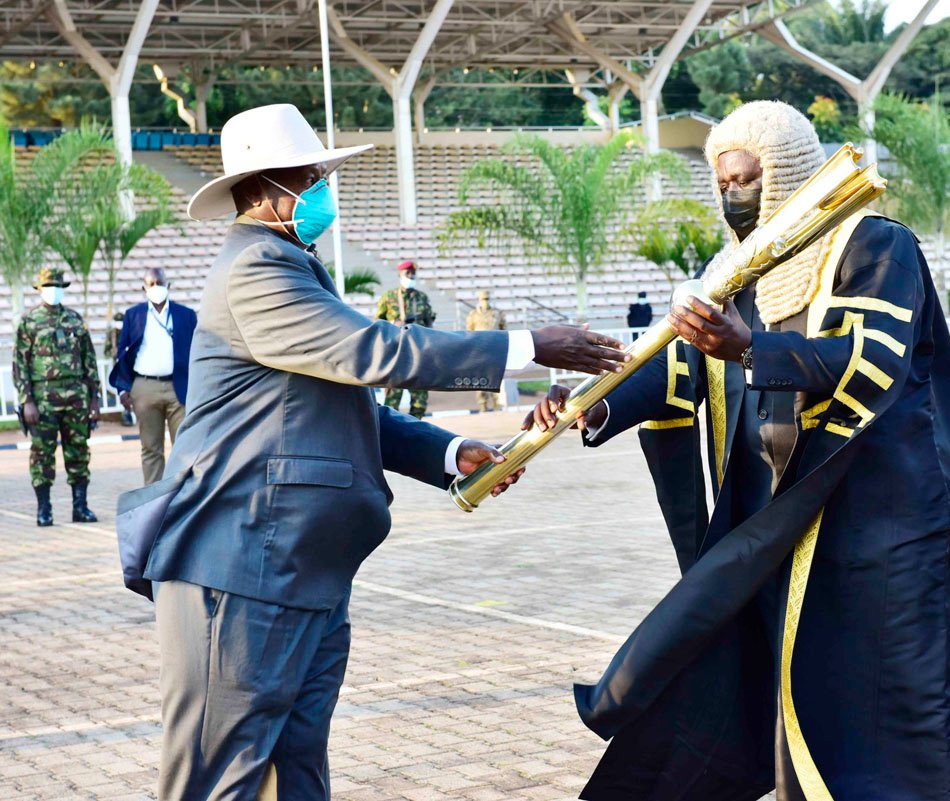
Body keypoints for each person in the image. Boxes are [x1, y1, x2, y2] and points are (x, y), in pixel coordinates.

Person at [139, 103, 628, 801]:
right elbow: (372, 352)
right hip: (241, 567)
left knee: (296, 771)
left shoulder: (291, 263)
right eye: (308, 178)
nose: (319, 192)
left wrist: (450, 450)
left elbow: (343, 406)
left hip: (298, 568)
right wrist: (525, 347)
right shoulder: (255, 268)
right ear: (266, 188)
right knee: (220, 778)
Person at [526, 100, 950, 800]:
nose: (730, 195)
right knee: (786, 689)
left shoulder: (873, 243)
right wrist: (590, 404)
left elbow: (873, 361)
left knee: (906, 703)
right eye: (721, 182)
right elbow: (676, 368)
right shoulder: (735, 270)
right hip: (780, 521)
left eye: (745, 179)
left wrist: (751, 347)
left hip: (880, 524)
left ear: (786, 174)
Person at [13, 267, 100, 527]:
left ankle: (80, 507)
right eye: (48, 286)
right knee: (42, 454)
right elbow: (20, 364)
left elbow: (90, 361)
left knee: (79, 452)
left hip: (76, 397)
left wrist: (94, 399)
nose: (53, 290)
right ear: (39, 290)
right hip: (42, 399)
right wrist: (26, 400)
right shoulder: (29, 322)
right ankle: (44, 510)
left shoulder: (75, 320)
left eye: (57, 286)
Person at [109, 268, 197, 484]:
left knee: (184, 448)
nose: (156, 287)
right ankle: (154, 499)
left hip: (180, 388)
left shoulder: (186, 315)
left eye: (160, 282)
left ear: (168, 286)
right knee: (151, 448)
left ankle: (182, 498)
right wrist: (123, 389)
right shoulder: (134, 315)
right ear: (144, 288)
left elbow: (197, 351)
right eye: (151, 283)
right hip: (145, 388)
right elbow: (122, 353)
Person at [377, 261, 434, 418]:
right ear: (400, 275)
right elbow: (378, 323)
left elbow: (430, 324)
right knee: (392, 401)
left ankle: (415, 433)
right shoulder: (389, 297)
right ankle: (392, 435)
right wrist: (393, 324)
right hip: (398, 353)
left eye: (413, 274)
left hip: (419, 353)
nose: (411, 276)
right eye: (407, 274)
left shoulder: (422, 298)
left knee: (419, 401)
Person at [466, 289, 506, 412]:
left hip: (495, 349)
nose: (485, 302)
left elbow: (504, 329)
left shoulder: (497, 313)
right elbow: (469, 331)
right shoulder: (473, 315)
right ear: (479, 300)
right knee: (480, 379)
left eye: (487, 299)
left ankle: (497, 405)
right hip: (480, 350)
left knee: (496, 378)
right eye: (483, 299)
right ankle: (482, 406)